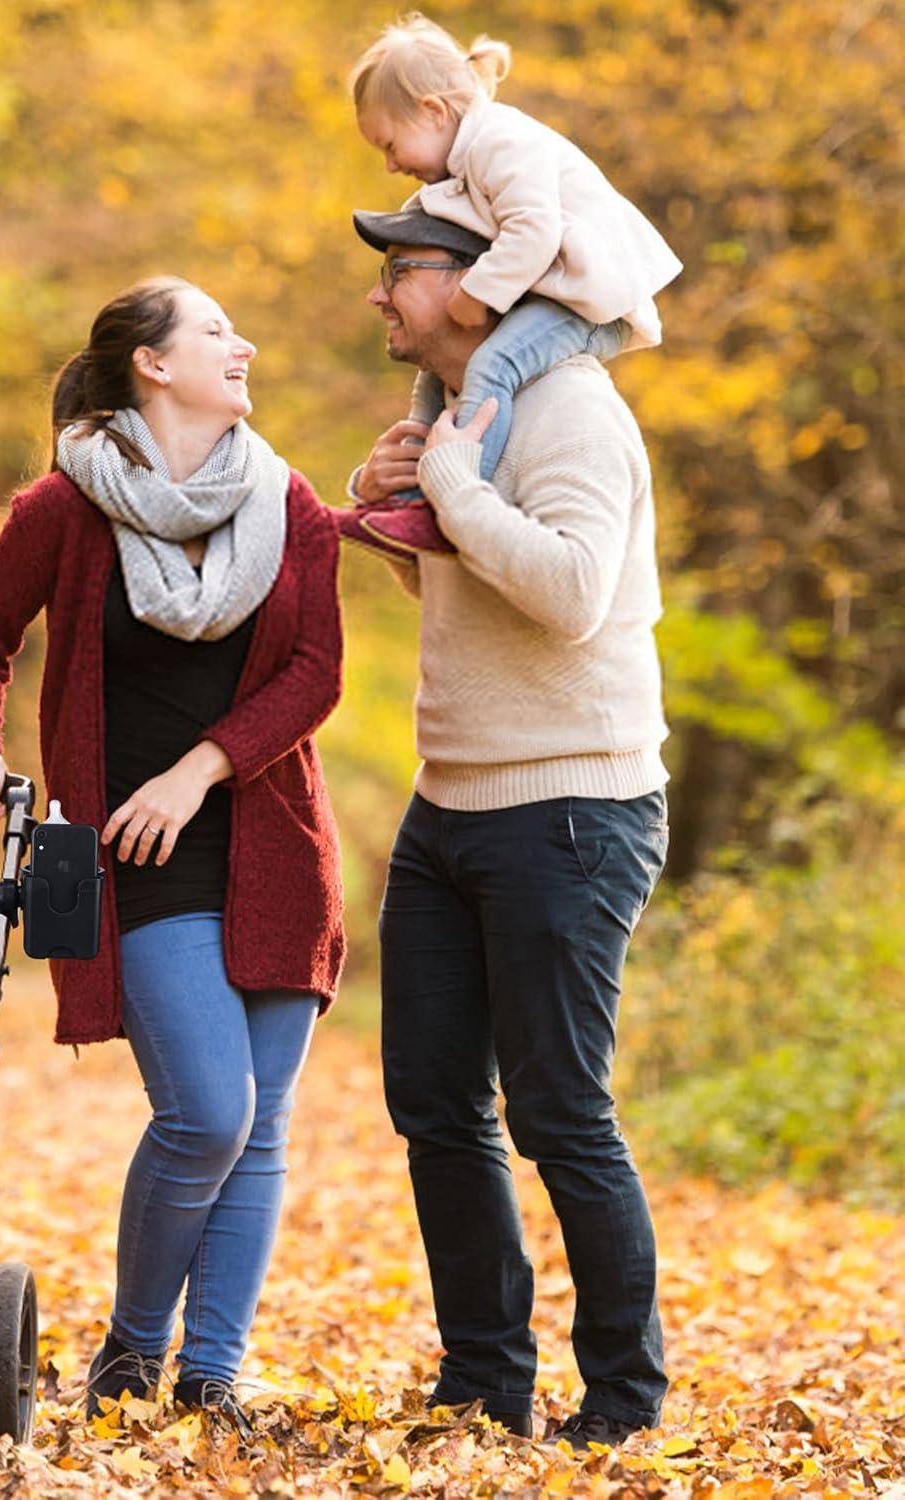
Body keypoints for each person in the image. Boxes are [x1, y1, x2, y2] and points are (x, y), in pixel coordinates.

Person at [0, 277, 346, 1428]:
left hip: (270, 841)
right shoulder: (65, 509)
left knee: (259, 1127)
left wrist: (198, 770)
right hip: (127, 855)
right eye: (218, 332)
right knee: (208, 1115)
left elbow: (315, 673)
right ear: (153, 365)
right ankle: (132, 1347)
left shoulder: (289, 503)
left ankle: (212, 1373)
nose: (244, 344)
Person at [350, 198, 671, 1450]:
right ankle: (487, 1383)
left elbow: (574, 594)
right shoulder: (450, 412)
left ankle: (625, 1401)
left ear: (480, 286)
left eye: (404, 271)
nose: (381, 294)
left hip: (572, 806)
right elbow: (471, 578)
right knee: (433, 1099)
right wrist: (392, 514)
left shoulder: (572, 407)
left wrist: (447, 490)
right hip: (451, 805)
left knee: (559, 1112)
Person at [338, 12, 680, 557]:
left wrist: (476, 295)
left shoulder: (501, 140)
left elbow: (533, 229)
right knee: (434, 377)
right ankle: (406, 499)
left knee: (493, 365)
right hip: (560, 294)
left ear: (432, 111)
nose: (389, 165)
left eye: (390, 145)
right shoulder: (461, 158)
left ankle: (454, 494)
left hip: (595, 304)